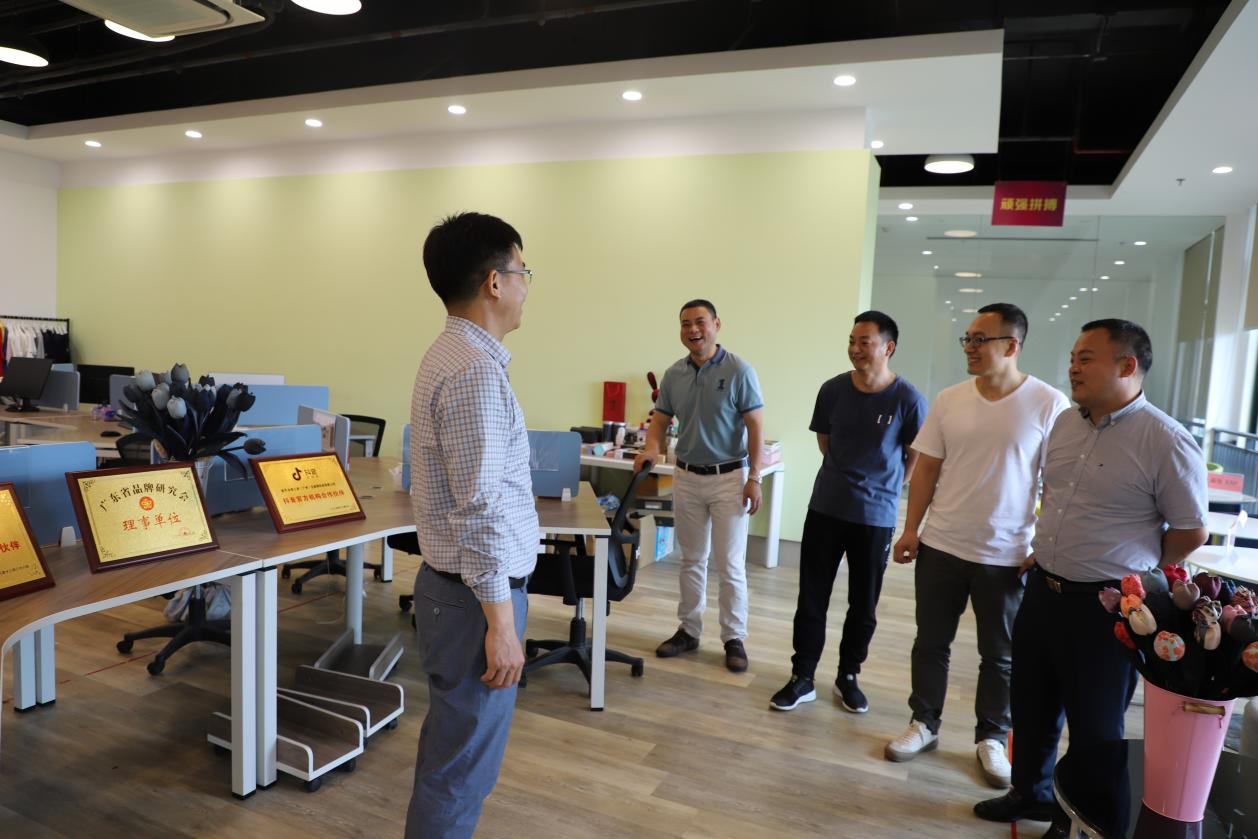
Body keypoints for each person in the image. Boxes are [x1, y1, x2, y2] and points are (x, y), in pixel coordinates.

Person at [975, 319, 1207, 837]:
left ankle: (1077, 820)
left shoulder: (1166, 440)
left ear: (1127, 366)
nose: (1073, 367)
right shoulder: (1065, 422)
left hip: (1107, 608)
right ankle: (1029, 793)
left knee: (1095, 726)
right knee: (1031, 704)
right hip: (1044, 590)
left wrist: (1138, 571)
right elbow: (1057, 498)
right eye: (1073, 357)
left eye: (1086, 358)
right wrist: (1047, 550)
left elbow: (1191, 530)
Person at [885, 303, 1070, 790]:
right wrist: (911, 529)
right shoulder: (949, 400)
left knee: (1000, 655)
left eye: (979, 339)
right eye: (966, 338)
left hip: (1007, 554)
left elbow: (1058, 483)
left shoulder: (1049, 404)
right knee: (931, 643)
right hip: (942, 544)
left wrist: (1044, 544)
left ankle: (991, 736)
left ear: (1011, 345)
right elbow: (927, 468)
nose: (969, 347)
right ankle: (924, 723)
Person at [405, 212, 539, 839]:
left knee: (451, 755)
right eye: (523, 271)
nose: (526, 286)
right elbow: (480, 513)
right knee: (461, 772)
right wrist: (502, 627)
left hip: (457, 595)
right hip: (474, 603)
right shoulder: (474, 371)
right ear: (494, 281)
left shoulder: (451, 355)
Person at [770, 311, 927, 713]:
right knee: (812, 597)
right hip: (826, 507)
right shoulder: (833, 390)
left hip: (875, 517)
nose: (855, 349)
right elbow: (826, 441)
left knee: (863, 604)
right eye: (852, 341)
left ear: (888, 348)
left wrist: (889, 485)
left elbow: (915, 456)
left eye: (865, 342)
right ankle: (803, 676)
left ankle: (848, 676)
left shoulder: (908, 399)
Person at [635, 299, 765, 673]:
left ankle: (733, 638)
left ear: (716, 325)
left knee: (730, 564)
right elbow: (660, 422)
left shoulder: (739, 370)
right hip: (687, 476)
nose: (693, 330)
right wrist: (650, 448)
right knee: (691, 559)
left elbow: (756, 426)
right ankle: (689, 630)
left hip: (729, 478)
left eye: (700, 322)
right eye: (685, 324)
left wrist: (754, 477)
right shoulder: (674, 374)